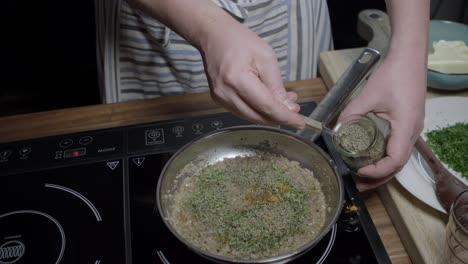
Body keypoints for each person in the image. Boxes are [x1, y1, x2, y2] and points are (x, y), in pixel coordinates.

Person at [95, 0, 429, 191]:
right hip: (162, 22)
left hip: (289, 12)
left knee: (289, 122)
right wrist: (205, 26)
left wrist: (410, 53)